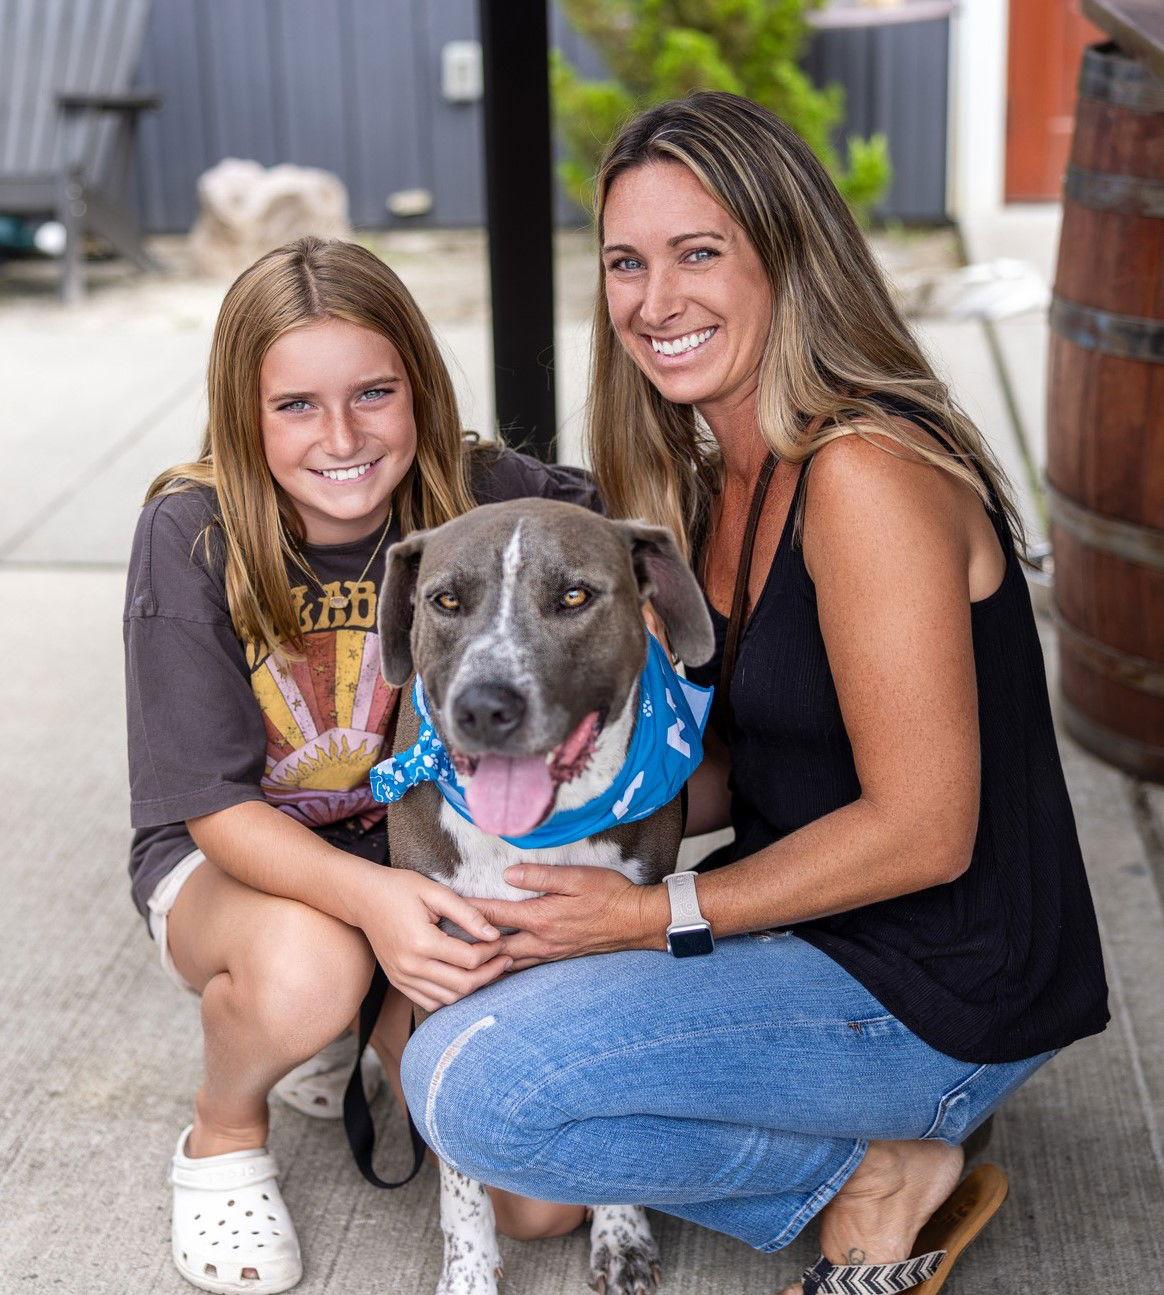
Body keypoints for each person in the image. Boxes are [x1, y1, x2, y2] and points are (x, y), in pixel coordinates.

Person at [397, 93, 1109, 1294]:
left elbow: (926, 831)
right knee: (494, 1073)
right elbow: (740, 758)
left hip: (941, 985)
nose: (654, 300)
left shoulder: (864, 471)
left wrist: (642, 916)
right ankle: (859, 1141)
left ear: (789, 254)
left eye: (698, 253)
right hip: (815, 939)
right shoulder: (720, 476)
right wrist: (530, 818)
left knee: (475, 1090)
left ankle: (879, 1166)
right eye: (627, 262)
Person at [123, 236, 600, 1294]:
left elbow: (623, 564)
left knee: (541, 1205)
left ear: (419, 385)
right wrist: (376, 904)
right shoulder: (193, 530)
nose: (341, 437)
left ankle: (349, 1019)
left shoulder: (488, 495)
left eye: (373, 392)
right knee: (311, 967)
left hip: (421, 864)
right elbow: (212, 810)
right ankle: (223, 1128)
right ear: (243, 412)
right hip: (239, 867)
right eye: (296, 404)